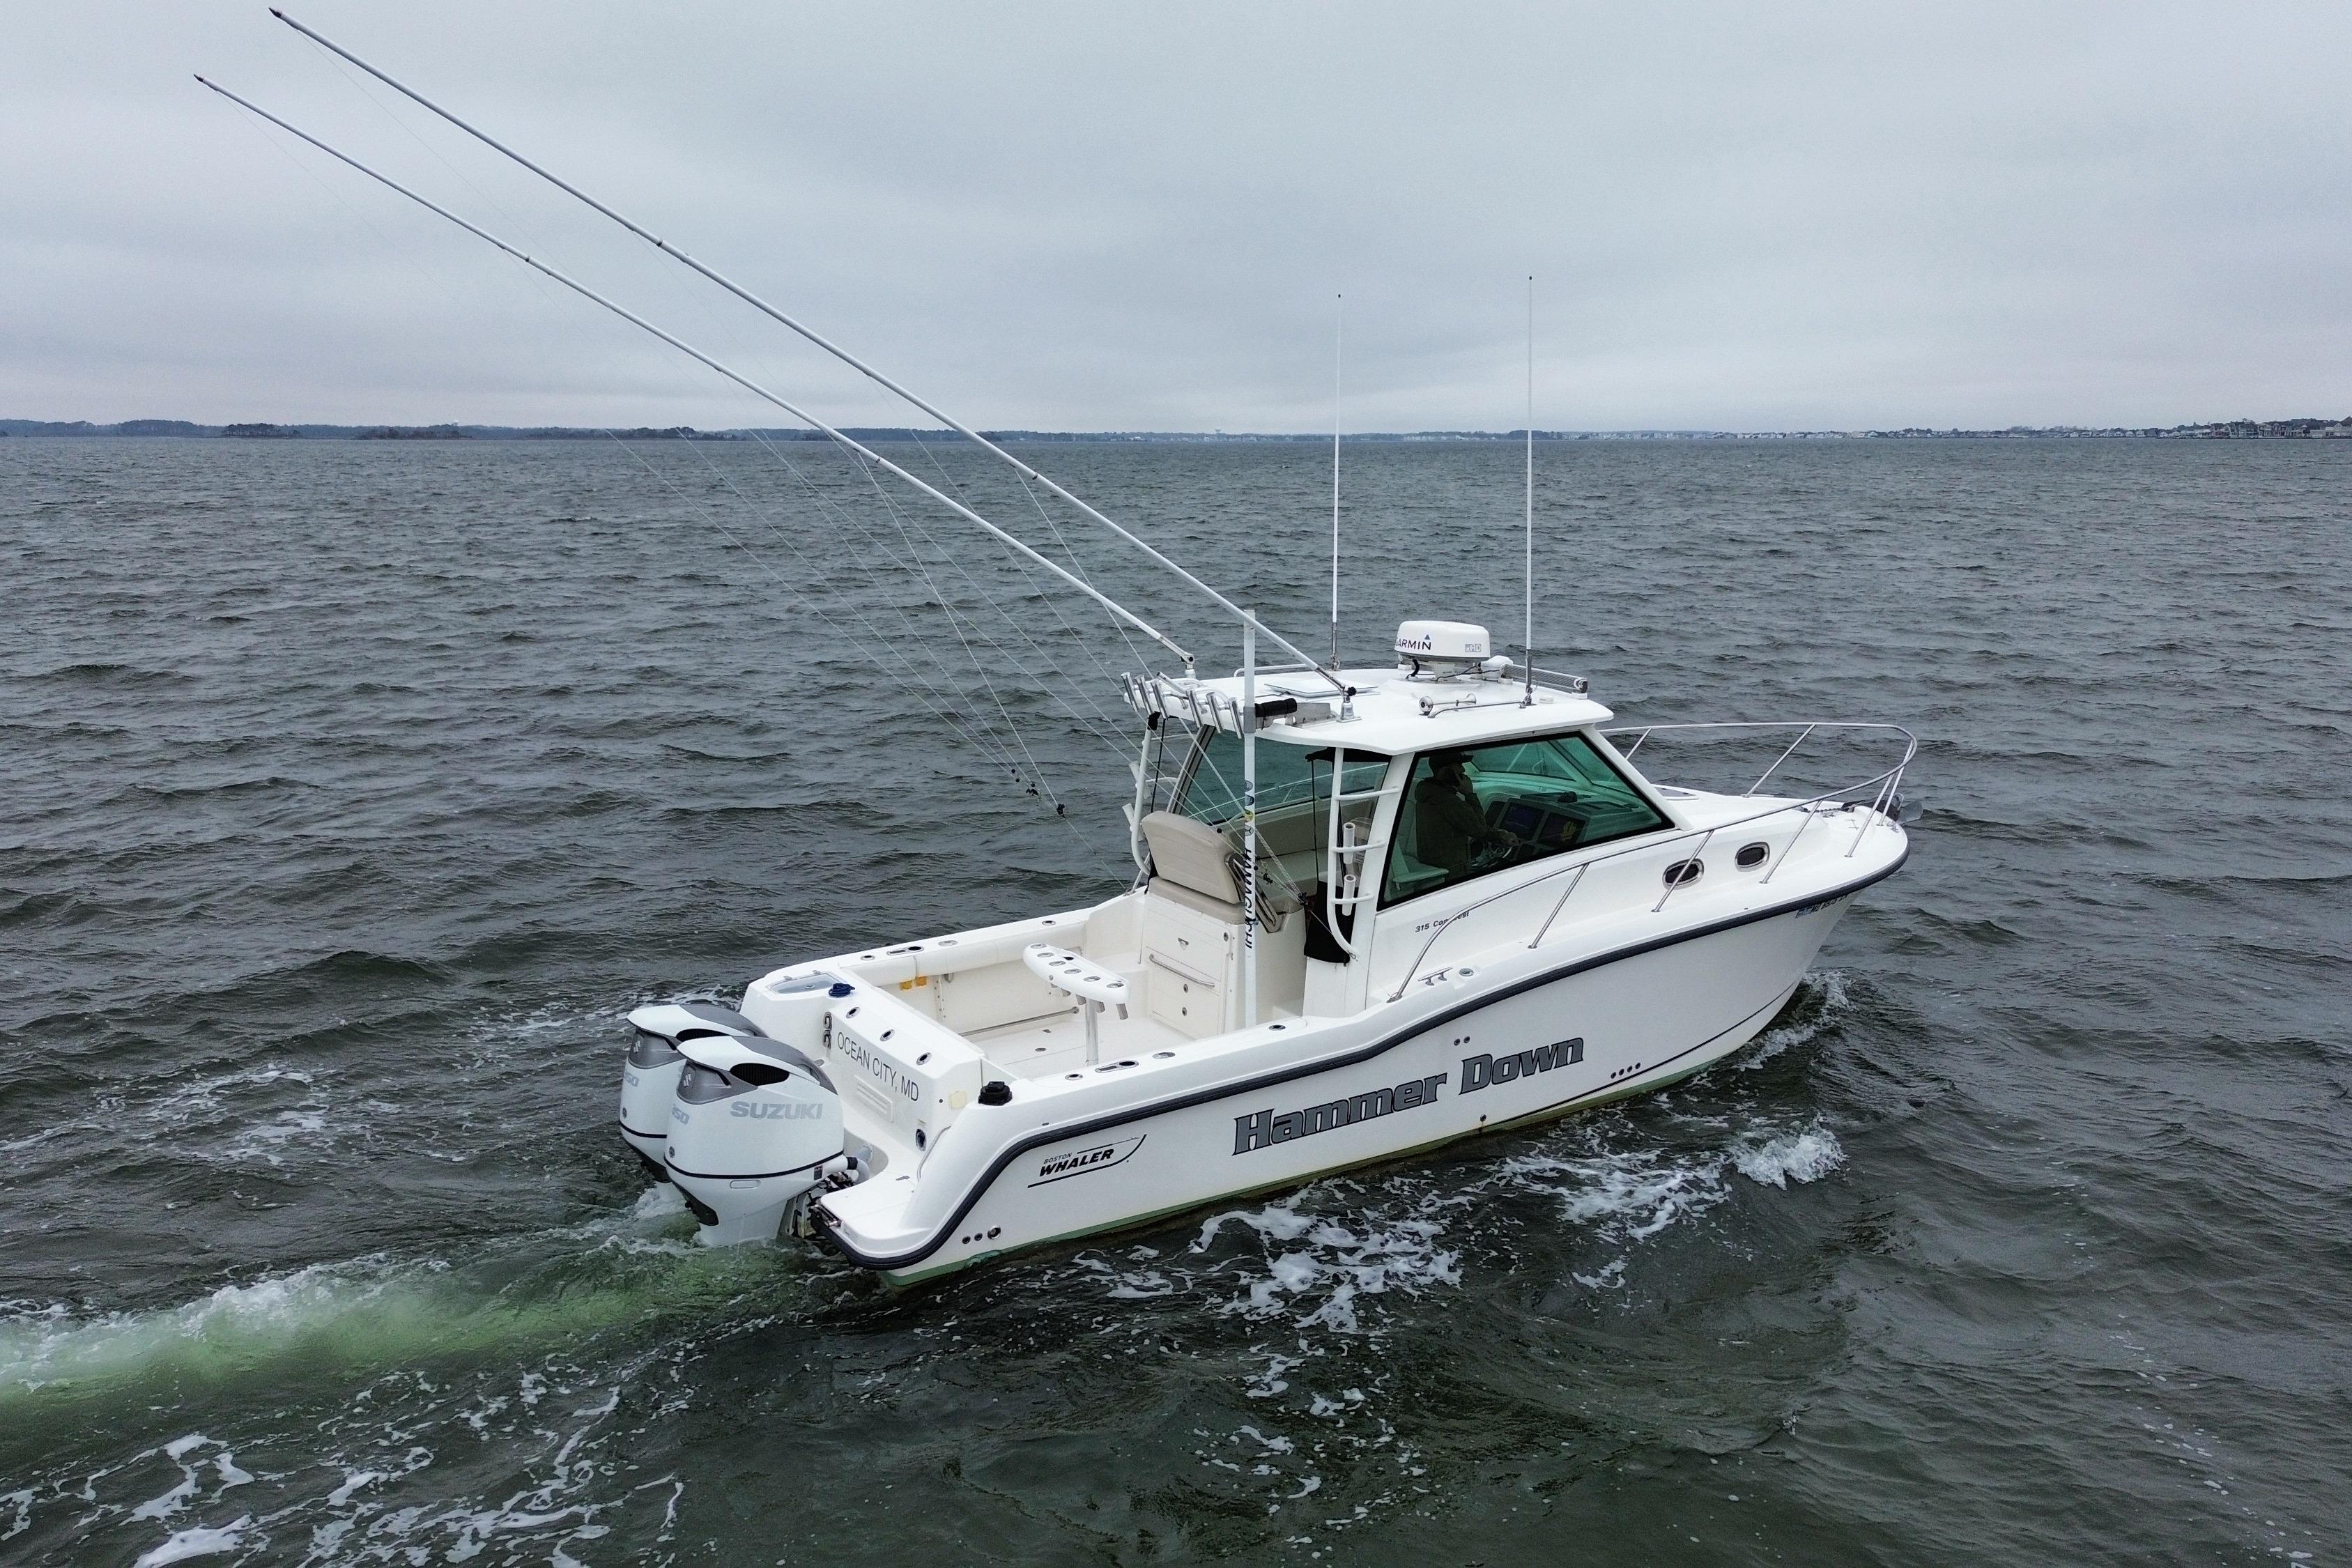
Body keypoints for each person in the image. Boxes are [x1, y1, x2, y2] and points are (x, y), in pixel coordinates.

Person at [1411, 751, 1516, 875]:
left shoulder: (1428, 792)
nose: (1463, 769)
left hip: (1435, 865)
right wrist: (1470, 795)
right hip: (1453, 871)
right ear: (1445, 771)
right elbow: (1480, 831)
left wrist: (1500, 835)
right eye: (1459, 765)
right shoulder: (1447, 801)